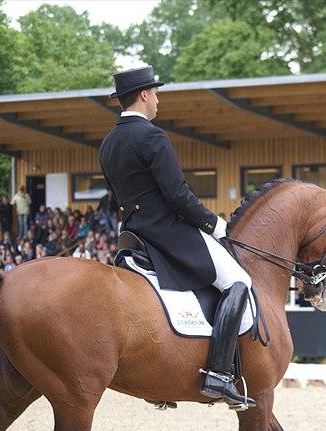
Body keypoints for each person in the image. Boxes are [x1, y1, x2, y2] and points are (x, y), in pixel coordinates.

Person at [99, 66, 254, 409]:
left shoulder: (108, 142)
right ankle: (219, 374)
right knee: (237, 281)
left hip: (132, 236)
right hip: (168, 234)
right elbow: (177, 195)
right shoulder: (151, 136)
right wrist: (216, 225)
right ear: (143, 95)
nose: (158, 99)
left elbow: (115, 197)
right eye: (155, 93)